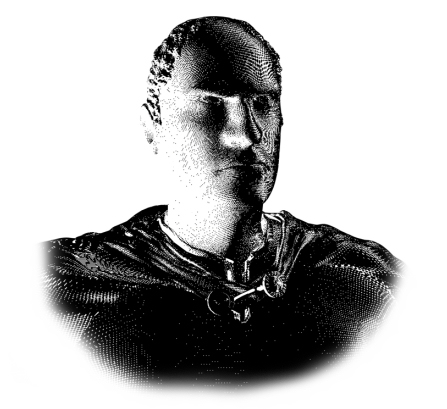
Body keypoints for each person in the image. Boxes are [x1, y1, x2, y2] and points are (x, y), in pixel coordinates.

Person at [43, 16, 403, 388]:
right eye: (212, 104)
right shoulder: (62, 284)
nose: (246, 135)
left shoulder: (368, 274)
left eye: (262, 103)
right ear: (153, 127)